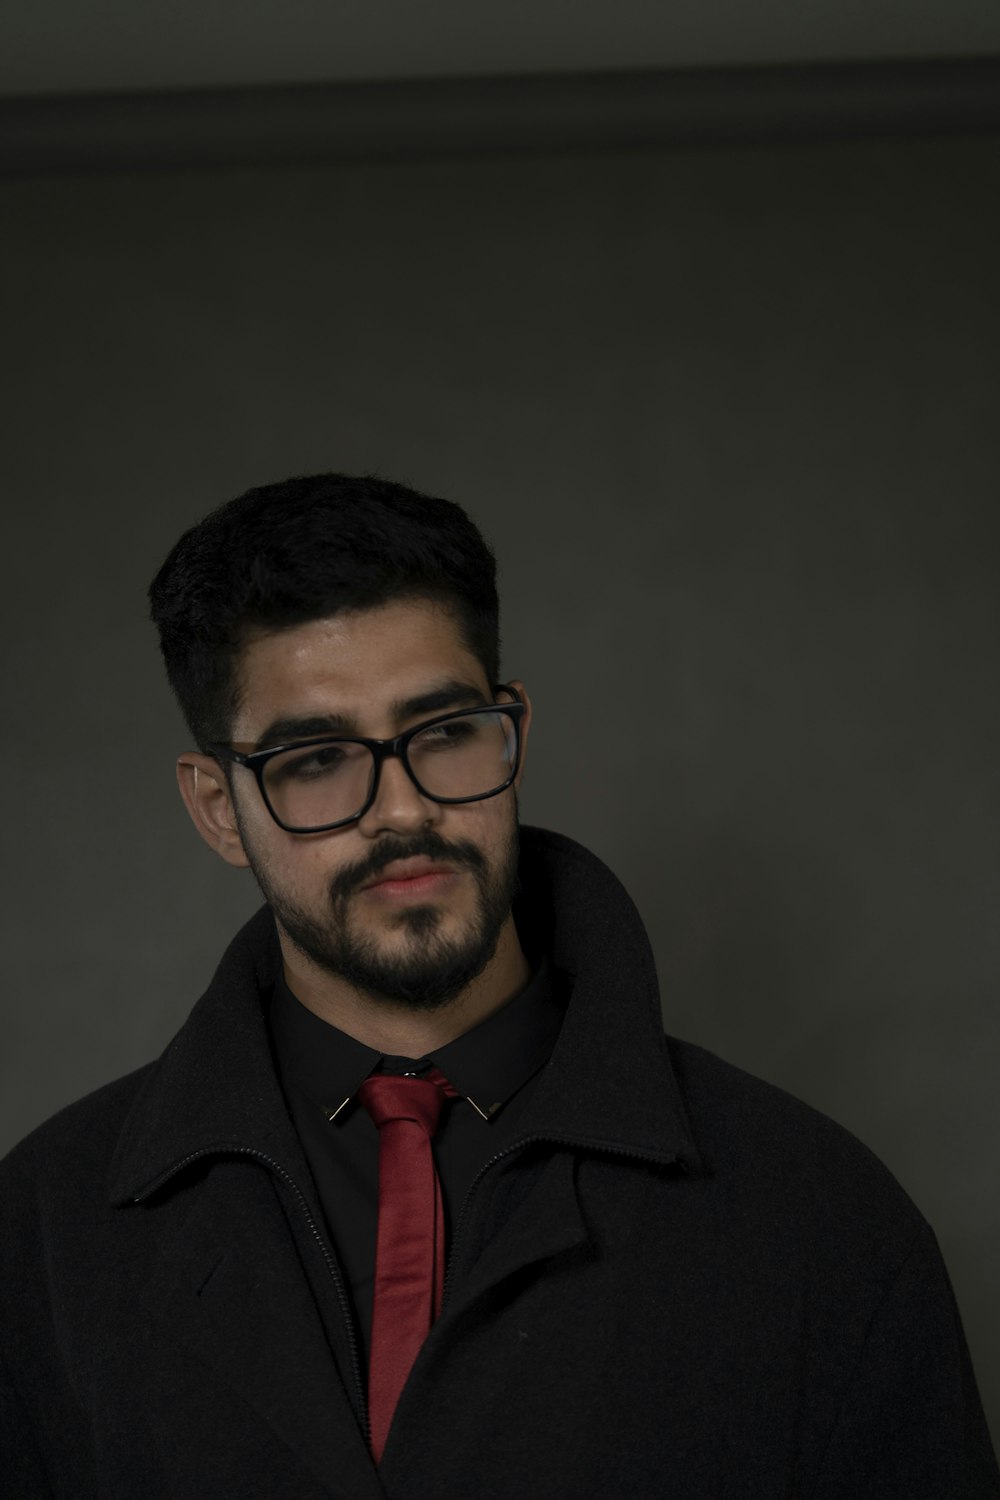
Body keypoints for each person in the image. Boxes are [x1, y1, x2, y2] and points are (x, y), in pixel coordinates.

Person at [1, 472, 997, 1500]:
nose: (399, 810)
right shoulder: (42, 1235)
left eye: (442, 732)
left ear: (511, 734)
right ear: (218, 807)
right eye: (315, 760)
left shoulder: (817, 1217)